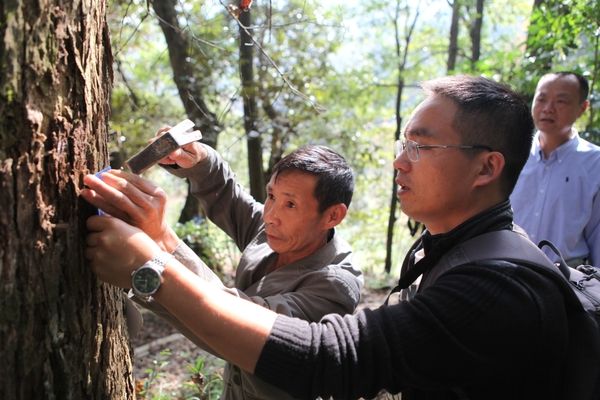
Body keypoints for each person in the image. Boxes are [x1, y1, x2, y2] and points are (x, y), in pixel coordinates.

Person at [85, 75, 574, 399]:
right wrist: (201, 161)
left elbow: (326, 357)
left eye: (421, 147)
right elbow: (234, 201)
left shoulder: (494, 289)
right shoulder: (454, 251)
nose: (399, 161)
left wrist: (158, 259)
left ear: (486, 168)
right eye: (404, 143)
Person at [82, 144, 363, 400]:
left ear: (332, 216)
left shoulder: (334, 285)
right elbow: (228, 196)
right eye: (271, 196)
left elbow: (239, 328)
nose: (270, 216)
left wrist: (157, 248)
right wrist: (199, 159)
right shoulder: (279, 231)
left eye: (291, 204)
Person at [510, 72, 600, 266]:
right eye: (541, 99)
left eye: (561, 101)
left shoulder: (595, 163)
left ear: (582, 109)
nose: (548, 109)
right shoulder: (511, 153)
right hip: (505, 269)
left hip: (564, 276)